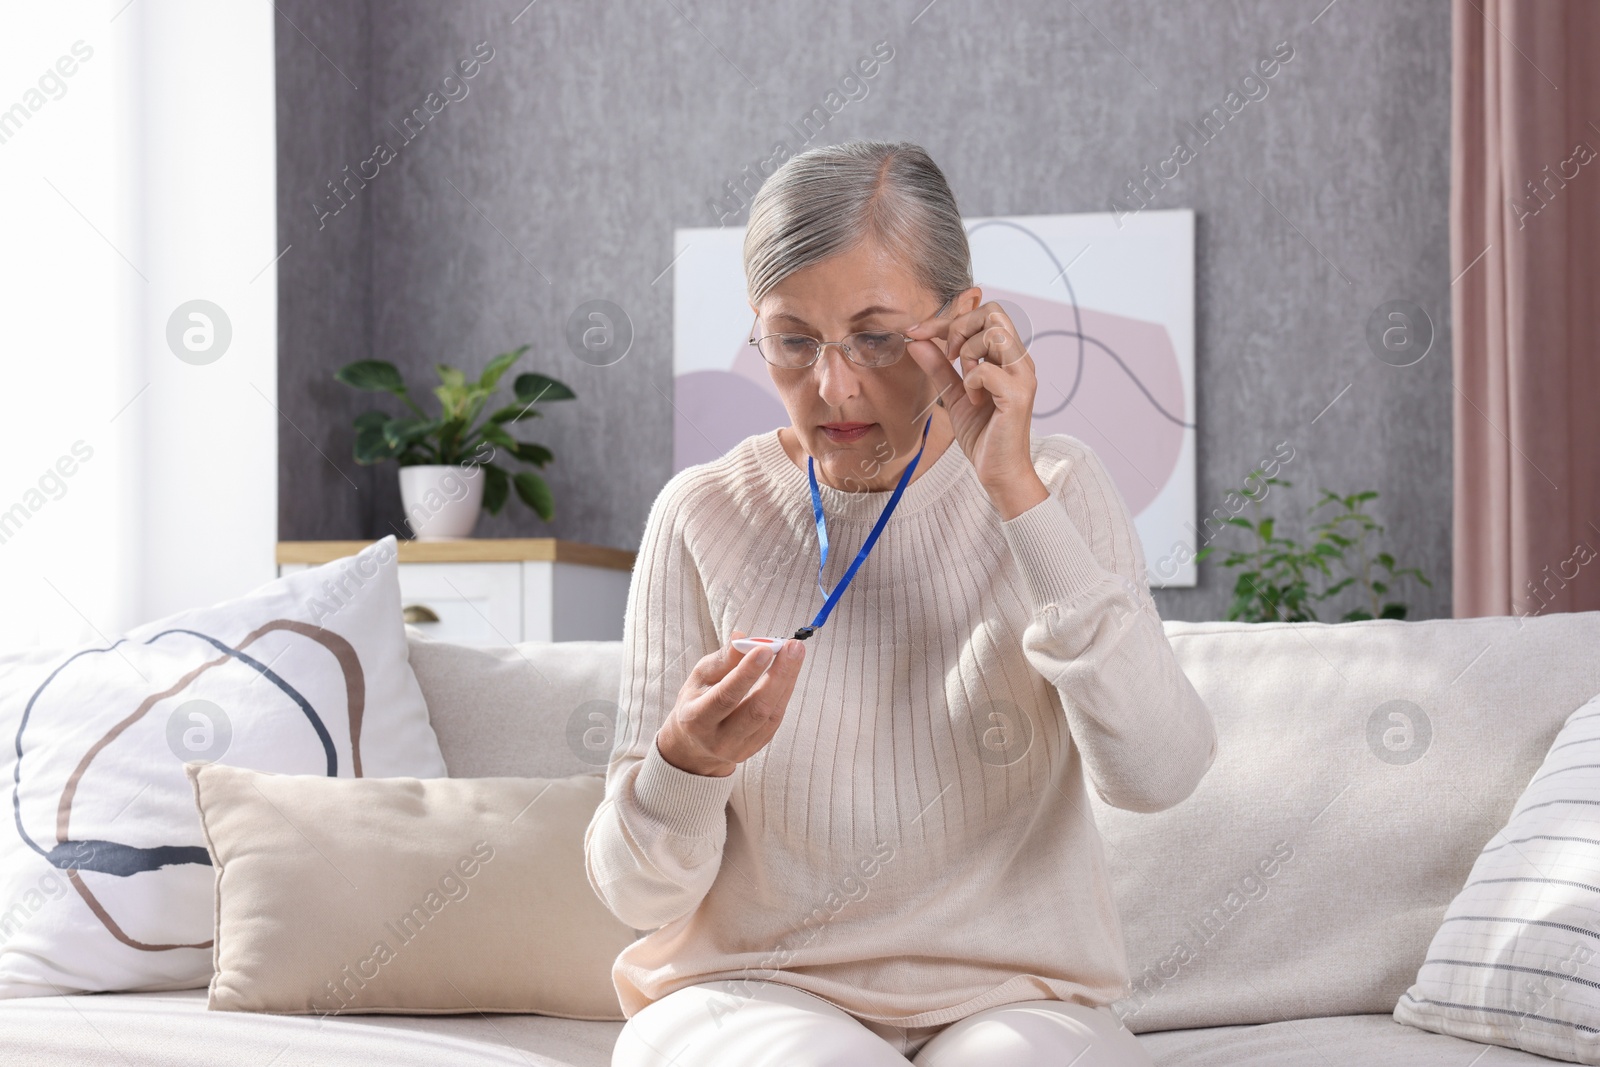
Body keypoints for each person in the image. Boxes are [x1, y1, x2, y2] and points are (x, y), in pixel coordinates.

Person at [586, 139, 1218, 1066]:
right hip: (752, 993)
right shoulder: (701, 514)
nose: (834, 387)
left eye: (877, 337)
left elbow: (1158, 774)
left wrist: (1014, 494)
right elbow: (635, 898)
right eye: (792, 340)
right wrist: (683, 765)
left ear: (964, 322)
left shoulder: (1059, 488)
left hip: (1019, 1001)